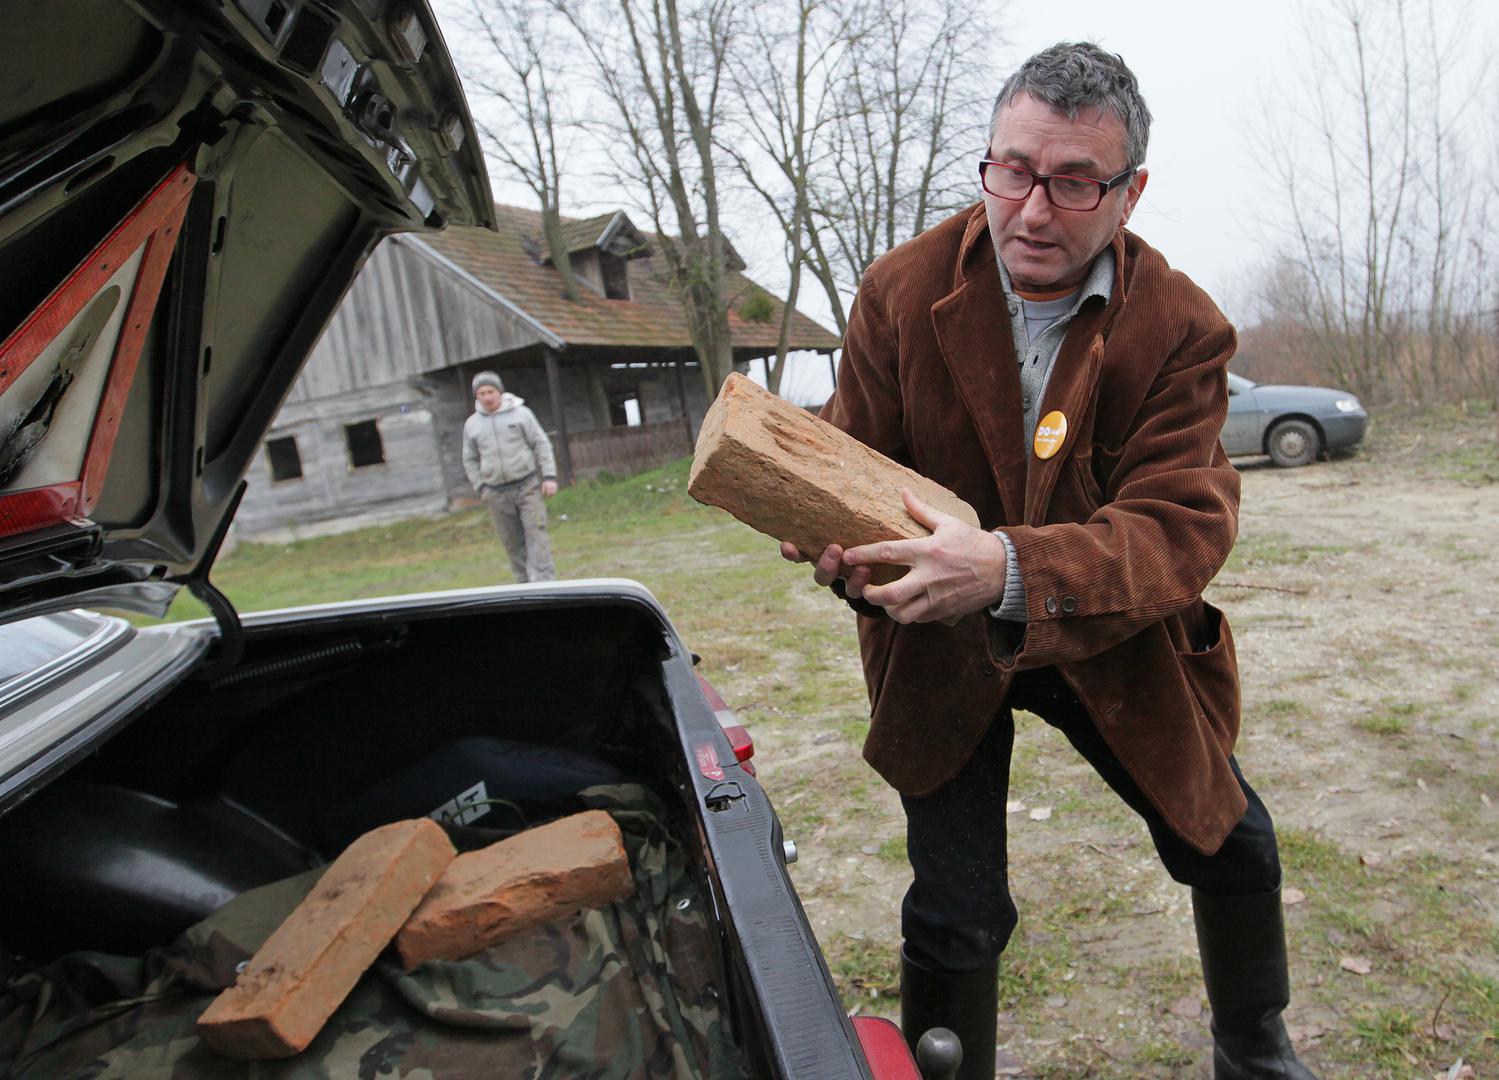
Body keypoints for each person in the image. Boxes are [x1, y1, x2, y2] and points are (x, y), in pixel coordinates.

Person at [783, 43, 1317, 1080]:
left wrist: (1005, 570)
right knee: (954, 910)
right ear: (988, 160)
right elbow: (852, 460)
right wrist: (841, 549)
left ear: (1128, 194)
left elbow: (1179, 526)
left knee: (1229, 841)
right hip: (941, 645)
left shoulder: (1182, 328)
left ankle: (1252, 1050)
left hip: (1110, 634)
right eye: (1012, 171)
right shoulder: (899, 291)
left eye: (1073, 182)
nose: (1031, 210)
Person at [462, 371, 559, 583]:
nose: (487, 397)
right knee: (511, 541)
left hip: (526, 485)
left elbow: (541, 444)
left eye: (491, 391)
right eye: (481, 393)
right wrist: (480, 487)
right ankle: (523, 584)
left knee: (536, 533)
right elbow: (469, 459)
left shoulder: (521, 414)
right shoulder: (472, 425)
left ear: (500, 392)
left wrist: (549, 476)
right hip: (495, 491)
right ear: (476, 396)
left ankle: (545, 582)